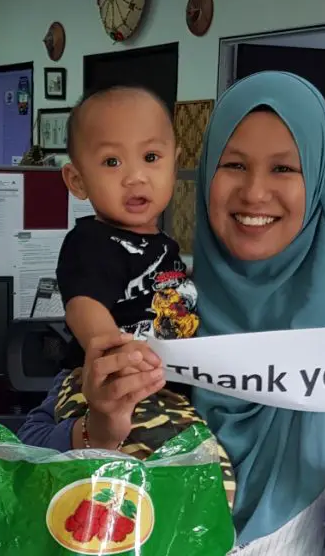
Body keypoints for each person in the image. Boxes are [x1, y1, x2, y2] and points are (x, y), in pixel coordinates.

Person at [19, 71, 325, 555]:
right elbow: (25, 462)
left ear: (320, 182)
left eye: (284, 168)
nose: (255, 192)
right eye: (234, 164)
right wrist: (98, 429)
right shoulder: (166, 309)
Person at [51, 85, 236, 500]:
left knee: (197, 479)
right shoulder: (91, 242)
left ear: (174, 163)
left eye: (151, 157)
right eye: (112, 161)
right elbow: (83, 305)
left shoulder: (166, 247)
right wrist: (112, 352)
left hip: (158, 386)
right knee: (204, 483)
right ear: (77, 180)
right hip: (103, 383)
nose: (135, 176)